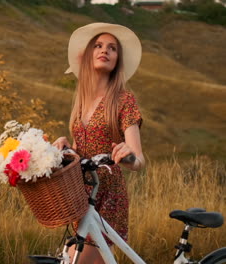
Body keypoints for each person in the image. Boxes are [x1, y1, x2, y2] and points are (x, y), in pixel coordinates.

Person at [52, 23, 145, 263]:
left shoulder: (124, 100)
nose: (105, 50)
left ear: (117, 60)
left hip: (109, 197)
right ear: (88, 55)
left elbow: (138, 160)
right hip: (82, 195)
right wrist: (66, 147)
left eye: (112, 48)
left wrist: (128, 156)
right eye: (99, 45)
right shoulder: (81, 102)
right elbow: (80, 153)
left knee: (77, 259)